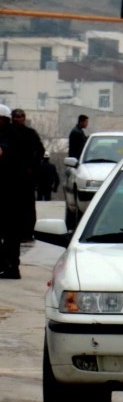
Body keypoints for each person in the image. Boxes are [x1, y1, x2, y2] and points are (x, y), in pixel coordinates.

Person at [0, 104, 26, 279]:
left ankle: (10, 266)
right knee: (11, 234)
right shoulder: (16, 135)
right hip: (13, 192)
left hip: (9, 192)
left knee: (10, 234)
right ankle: (8, 265)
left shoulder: (11, 137)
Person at [11, 109, 45, 240]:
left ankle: (27, 231)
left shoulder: (30, 134)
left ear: (24, 118)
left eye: (19, 117)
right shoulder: (7, 133)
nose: (17, 119)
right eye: (15, 117)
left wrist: (32, 167)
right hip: (9, 176)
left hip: (26, 177)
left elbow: (40, 151)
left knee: (27, 205)